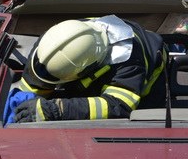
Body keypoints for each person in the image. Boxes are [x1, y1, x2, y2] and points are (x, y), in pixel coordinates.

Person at [13, 15, 166, 122]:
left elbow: (119, 106)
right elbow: (30, 90)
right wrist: (20, 104)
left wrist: (57, 110)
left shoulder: (131, 59)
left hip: (148, 79)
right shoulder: (51, 44)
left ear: (86, 70)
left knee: (142, 121)